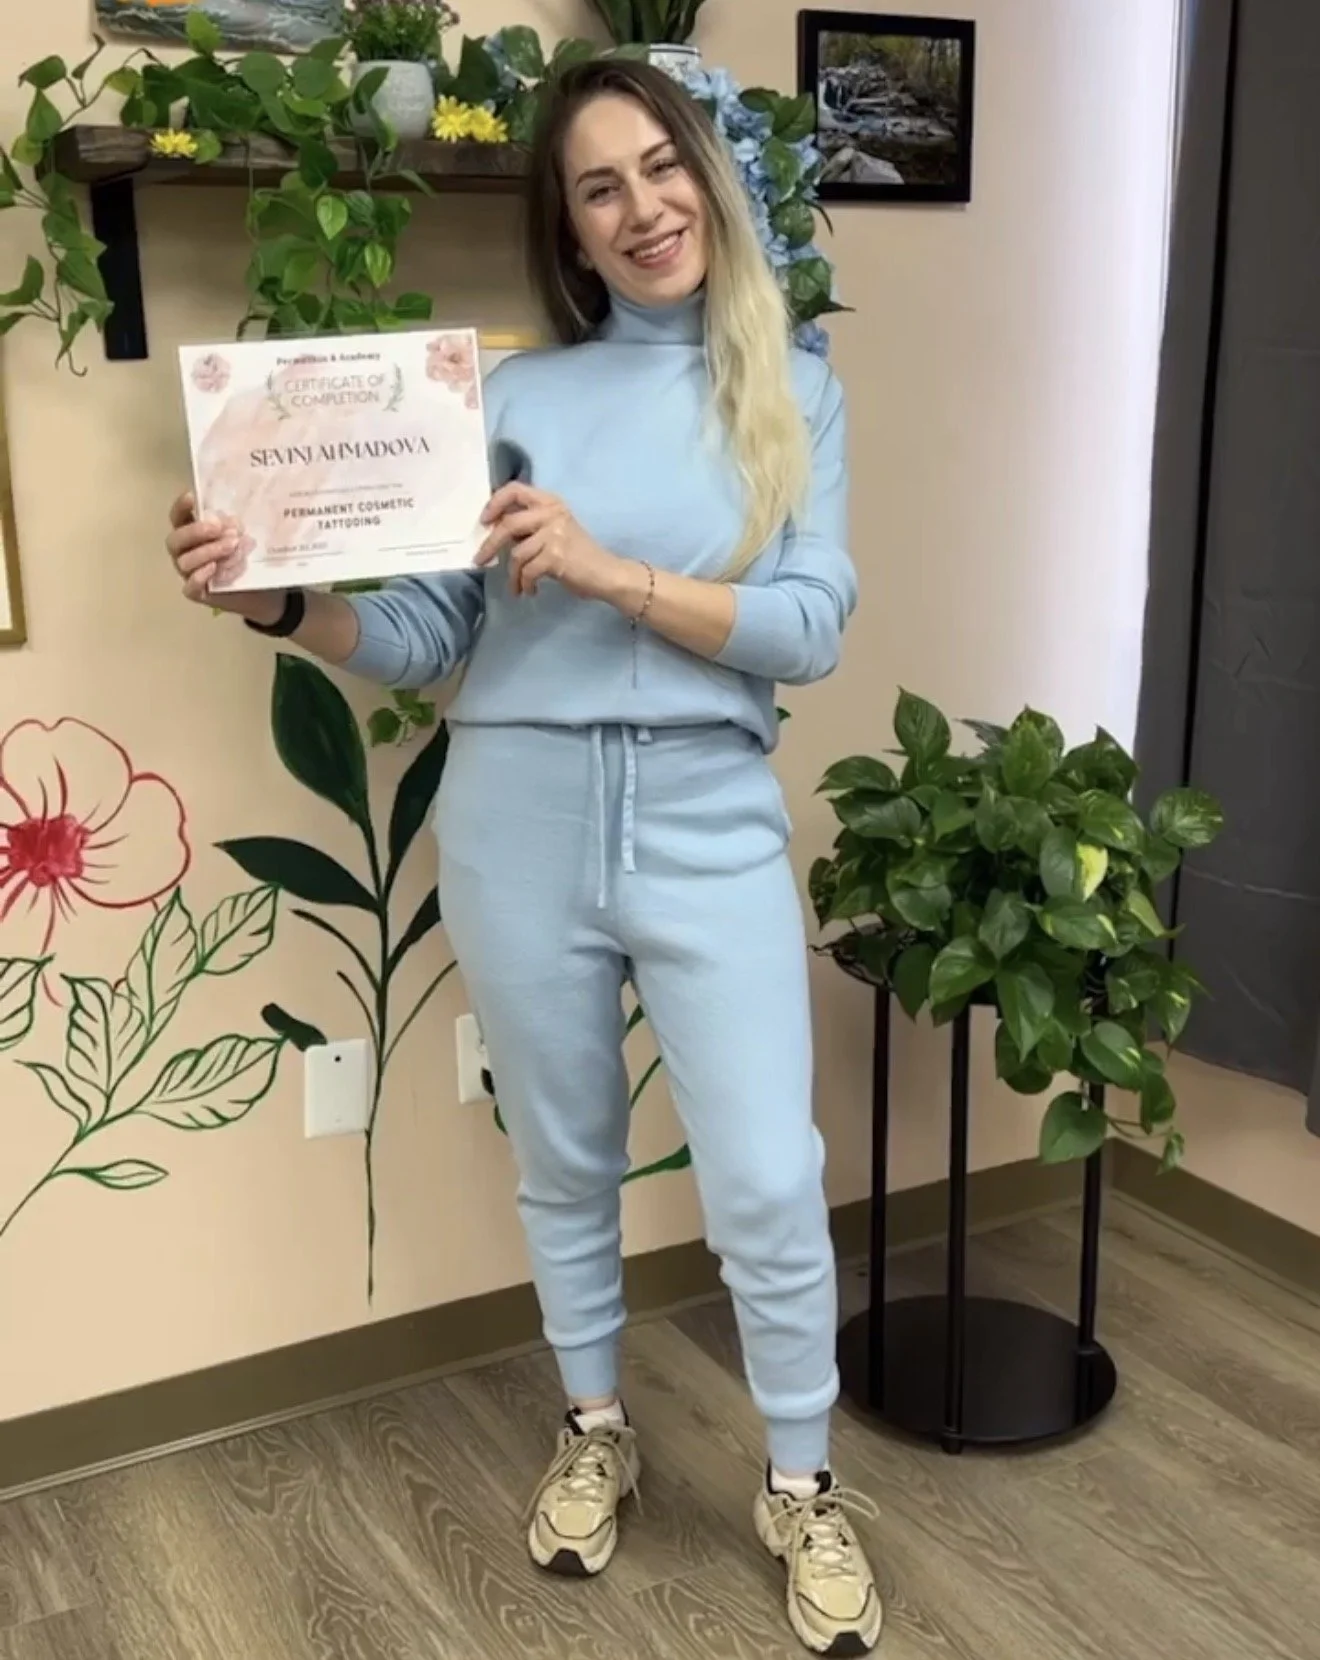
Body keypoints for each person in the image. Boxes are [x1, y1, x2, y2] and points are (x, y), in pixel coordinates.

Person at [165, 57, 882, 1659]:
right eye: (598, 188)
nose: (643, 209)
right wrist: (273, 604)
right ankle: (595, 1425)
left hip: (708, 821)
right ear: (567, 225)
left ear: (709, 170)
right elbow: (428, 632)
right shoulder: (512, 398)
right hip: (518, 819)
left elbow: (812, 628)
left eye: (660, 167)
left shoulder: (795, 390)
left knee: (767, 1173)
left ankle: (804, 1480)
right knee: (564, 1158)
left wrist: (612, 571)